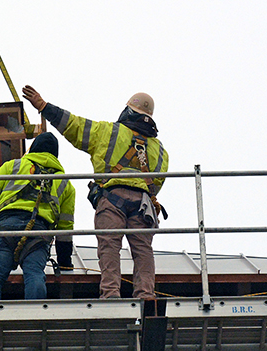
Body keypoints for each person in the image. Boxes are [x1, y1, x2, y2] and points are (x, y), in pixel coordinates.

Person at [21, 85, 169, 300]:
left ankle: (110, 294)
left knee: (109, 246)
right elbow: (157, 183)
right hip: (143, 205)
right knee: (143, 250)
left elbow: (74, 125)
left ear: (128, 111)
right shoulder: (160, 150)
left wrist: (44, 107)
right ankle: (146, 294)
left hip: (112, 199)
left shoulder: (108, 132)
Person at [0, 132, 75, 300]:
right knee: (34, 275)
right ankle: (36, 320)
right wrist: (64, 262)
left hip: (5, 228)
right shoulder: (66, 183)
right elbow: (65, 228)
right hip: (37, 234)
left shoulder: (12, 166)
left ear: (33, 149)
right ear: (55, 155)